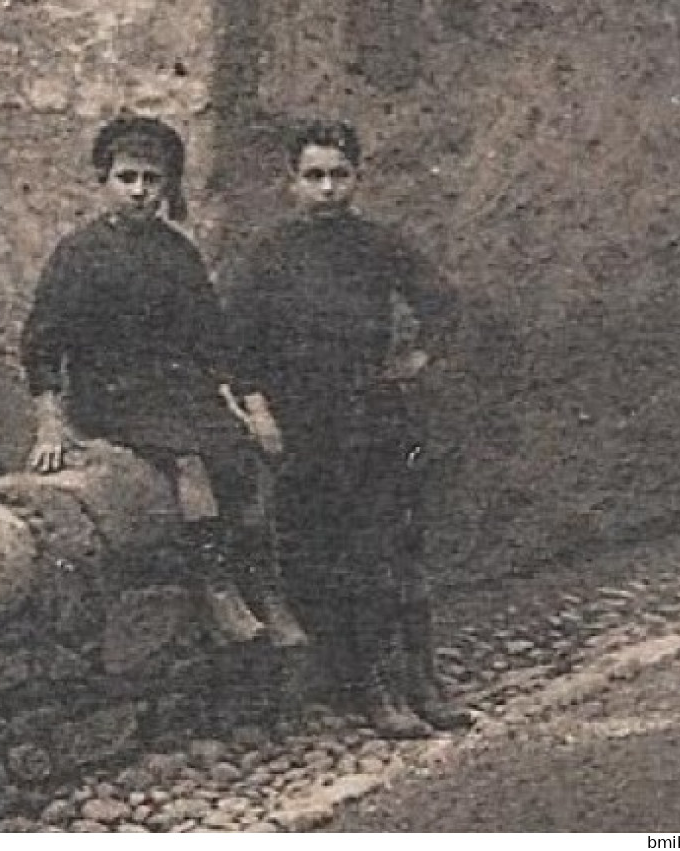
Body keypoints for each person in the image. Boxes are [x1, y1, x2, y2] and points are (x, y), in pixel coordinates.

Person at [222, 119, 473, 738]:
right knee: (337, 559)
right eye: (315, 176)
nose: (328, 188)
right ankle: (371, 687)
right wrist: (258, 411)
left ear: (357, 178)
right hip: (305, 427)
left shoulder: (377, 244)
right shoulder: (267, 255)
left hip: (374, 419)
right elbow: (236, 345)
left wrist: (415, 358)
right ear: (293, 182)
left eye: (339, 175)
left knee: (395, 553)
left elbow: (440, 301)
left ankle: (422, 680)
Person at [20, 115, 307, 649]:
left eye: (151, 181)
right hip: (110, 394)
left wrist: (254, 409)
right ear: (103, 182)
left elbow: (214, 341)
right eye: (126, 178)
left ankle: (265, 590)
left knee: (245, 457)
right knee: (188, 462)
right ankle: (218, 589)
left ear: (165, 186)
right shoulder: (79, 254)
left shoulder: (178, 253)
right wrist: (49, 426)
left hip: (176, 391)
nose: (138, 192)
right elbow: (42, 344)